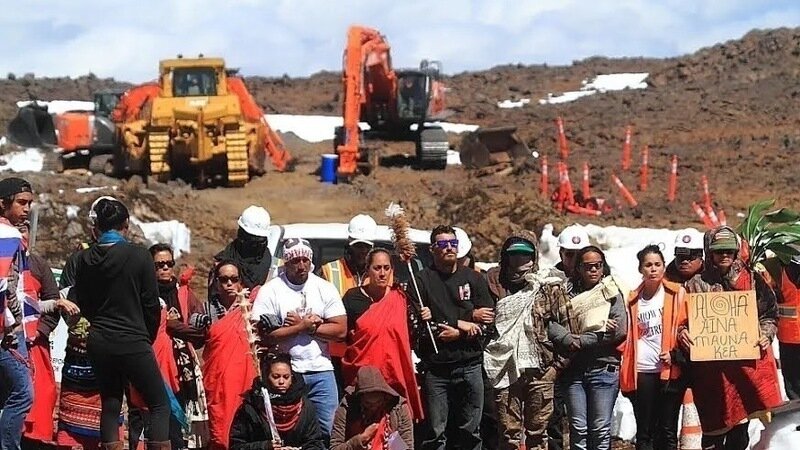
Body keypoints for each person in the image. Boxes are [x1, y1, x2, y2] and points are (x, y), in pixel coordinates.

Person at [69, 197, 169, 450]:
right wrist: (145, 336)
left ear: (98, 227)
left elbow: (84, 303)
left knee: (111, 402)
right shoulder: (139, 256)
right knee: (158, 403)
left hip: (99, 340)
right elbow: (151, 304)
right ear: (125, 224)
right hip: (133, 339)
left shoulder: (84, 259)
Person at [679, 226, 783, 449]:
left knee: (740, 431)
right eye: (719, 251)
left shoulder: (752, 280)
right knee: (713, 431)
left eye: (729, 251)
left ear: (736, 252)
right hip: (711, 374)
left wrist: (765, 335)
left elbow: (769, 314)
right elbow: (681, 319)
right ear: (710, 253)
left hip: (743, 371)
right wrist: (682, 332)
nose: (724, 255)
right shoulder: (695, 284)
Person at [253, 238, 347, 442]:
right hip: (286, 372)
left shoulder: (324, 288)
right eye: (296, 261)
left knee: (328, 428)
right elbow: (263, 334)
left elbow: (340, 330)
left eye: (306, 260)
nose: (302, 265)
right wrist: (300, 327)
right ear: (286, 262)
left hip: (321, 370)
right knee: (287, 430)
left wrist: (310, 329)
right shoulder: (271, 290)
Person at [484, 231, 568, 450]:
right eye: (515, 255)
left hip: (540, 370)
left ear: (534, 256)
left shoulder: (547, 286)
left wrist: (556, 368)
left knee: (538, 436)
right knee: (508, 435)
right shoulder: (493, 285)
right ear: (506, 256)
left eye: (525, 254)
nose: (520, 260)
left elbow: (567, 330)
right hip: (504, 369)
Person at [414, 225, 494, 450]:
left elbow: (488, 322)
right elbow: (420, 323)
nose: (449, 248)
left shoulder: (474, 279)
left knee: (470, 432)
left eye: (453, 243)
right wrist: (466, 319)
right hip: (436, 369)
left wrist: (459, 330)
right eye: (442, 244)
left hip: (470, 365)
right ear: (432, 249)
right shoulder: (421, 280)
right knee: (436, 432)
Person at [548, 245, 628, 450]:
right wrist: (568, 337)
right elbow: (551, 321)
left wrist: (581, 340)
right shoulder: (564, 293)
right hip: (573, 370)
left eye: (597, 265)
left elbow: (619, 330)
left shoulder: (611, 292)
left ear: (603, 267)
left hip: (604, 369)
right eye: (588, 266)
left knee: (600, 428)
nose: (593, 270)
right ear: (579, 268)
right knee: (578, 428)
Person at [340, 248, 429, 420]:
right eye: (377, 268)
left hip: (393, 372)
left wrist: (425, 314)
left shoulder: (401, 298)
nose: (382, 273)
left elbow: (412, 332)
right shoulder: (352, 298)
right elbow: (345, 334)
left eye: (386, 268)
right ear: (368, 269)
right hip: (362, 374)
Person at [620, 245, 688, 450]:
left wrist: (675, 354)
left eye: (657, 264)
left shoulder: (677, 293)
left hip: (669, 370)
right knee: (645, 429)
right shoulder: (632, 299)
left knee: (667, 429)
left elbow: (685, 326)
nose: (653, 269)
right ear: (640, 269)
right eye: (648, 265)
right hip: (642, 369)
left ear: (664, 267)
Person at [18, 220, 78, 449]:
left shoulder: (38, 265)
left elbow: (53, 305)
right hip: (8, 341)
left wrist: (39, 332)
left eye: (24, 230)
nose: (20, 235)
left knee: (42, 393)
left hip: (35, 344)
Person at [150, 243, 210, 450]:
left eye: (169, 263)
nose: (165, 268)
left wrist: (177, 327)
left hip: (183, 368)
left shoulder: (184, 293)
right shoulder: (145, 295)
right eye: (159, 265)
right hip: (155, 363)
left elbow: (201, 329)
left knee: (182, 424)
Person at [202, 261, 258, 450]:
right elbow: (196, 338)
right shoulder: (206, 309)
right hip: (217, 380)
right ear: (216, 283)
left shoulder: (250, 309)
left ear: (240, 282)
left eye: (234, 279)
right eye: (224, 279)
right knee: (219, 430)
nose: (229, 284)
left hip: (244, 378)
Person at [320, 214, 377, 392]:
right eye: (358, 246)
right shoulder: (329, 271)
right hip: (336, 354)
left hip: (371, 352)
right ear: (349, 245)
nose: (362, 251)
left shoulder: (383, 273)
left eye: (366, 247)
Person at [0, 177, 36, 450]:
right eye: (21, 203)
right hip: (8, 332)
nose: (27, 209)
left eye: (29, 204)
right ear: (3, 204)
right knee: (23, 394)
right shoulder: (8, 236)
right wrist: (12, 324)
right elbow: (6, 286)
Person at [547, 224, 589, 450]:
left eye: (579, 254)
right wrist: (565, 339)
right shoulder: (549, 280)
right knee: (553, 417)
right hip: (556, 360)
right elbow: (544, 318)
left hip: (587, 358)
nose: (574, 260)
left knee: (584, 421)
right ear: (561, 252)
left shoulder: (598, 279)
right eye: (569, 254)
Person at [230, 353, 325, 450]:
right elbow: (236, 445)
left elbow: (315, 442)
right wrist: (265, 446)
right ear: (266, 377)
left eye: (286, 377)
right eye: (276, 377)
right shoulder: (253, 406)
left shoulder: (305, 406)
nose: (281, 382)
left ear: (292, 378)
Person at [330, 366, 414, 450]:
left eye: (378, 402)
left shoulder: (399, 408)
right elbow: (334, 447)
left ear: (385, 397)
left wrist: (391, 438)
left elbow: (408, 447)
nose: (373, 407)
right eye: (368, 404)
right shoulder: (347, 407)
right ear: (360, 399)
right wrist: (362, 439)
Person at [209, 206, 272, 302]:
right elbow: (213, 301)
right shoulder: (222, 264)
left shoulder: (269, 262)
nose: (255, 244)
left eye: (259, 240)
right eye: (251, 239)